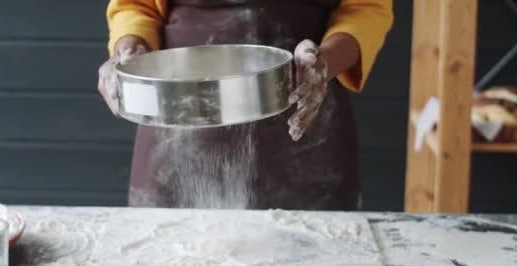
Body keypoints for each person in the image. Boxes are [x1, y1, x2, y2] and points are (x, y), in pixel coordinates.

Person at [98, 0, 393, 210]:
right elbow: (136, 5)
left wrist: (323, 61)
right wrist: (130, 50)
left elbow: (365, 8)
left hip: (304, 115)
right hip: (180, 121)